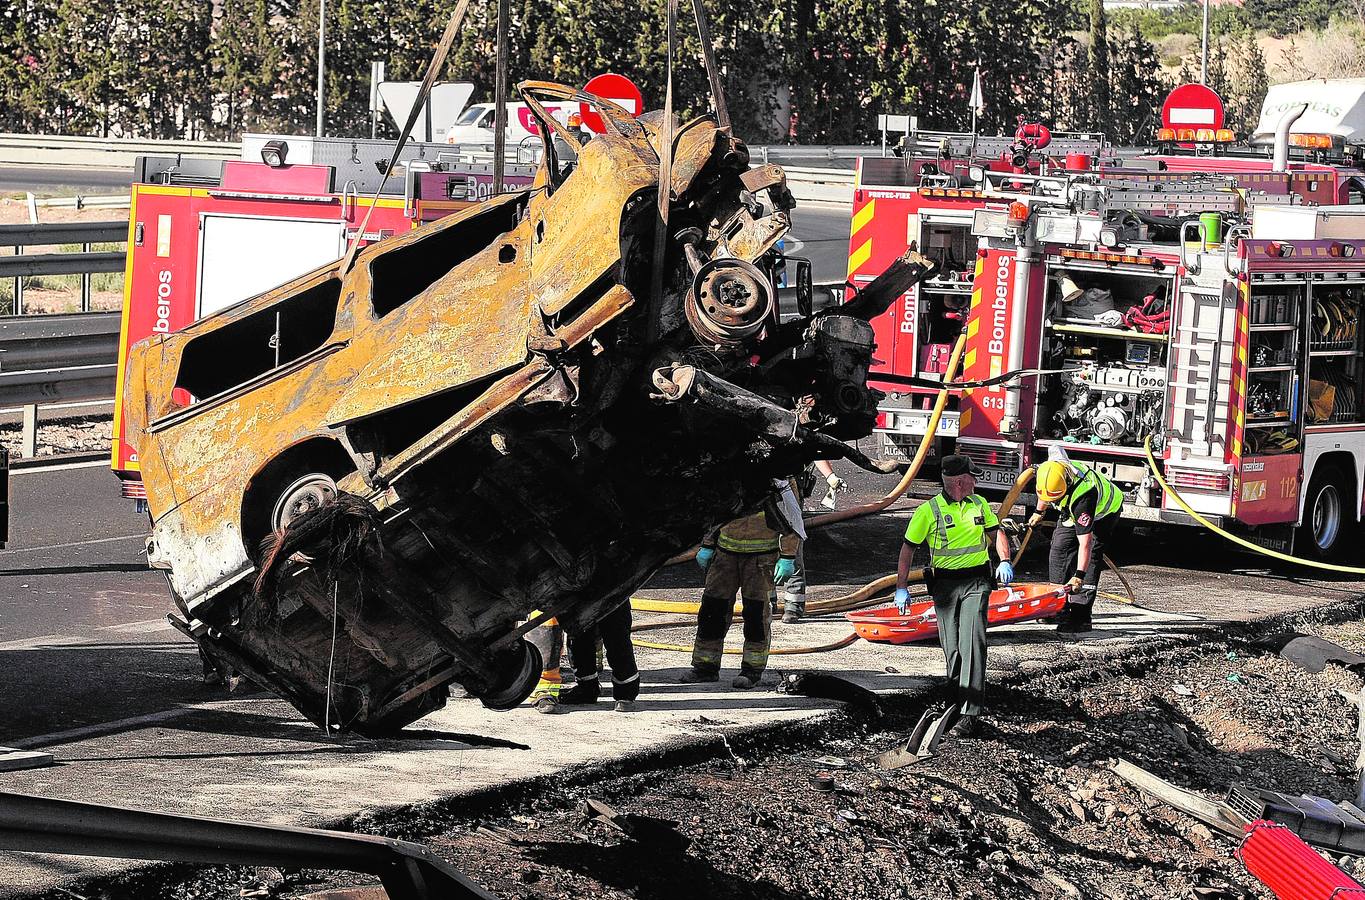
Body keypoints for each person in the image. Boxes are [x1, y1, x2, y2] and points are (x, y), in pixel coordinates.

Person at [894, 454, 1013, 735]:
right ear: (961, 481)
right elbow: (907, 550)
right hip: (946, 587)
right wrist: (901, 587)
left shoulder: (980, 504)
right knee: (953, 648)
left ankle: (970, 713)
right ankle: (954, 701)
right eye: (973, 476)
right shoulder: (928, 512)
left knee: (973, 641)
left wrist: (1005, 559)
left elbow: (996, 534)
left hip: (976, 583)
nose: (976, 481)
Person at [683, 490, 800, 689]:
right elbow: (714, 510)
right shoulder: (730, 473)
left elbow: (791, 516)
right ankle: (705, 667)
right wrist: (708, 543)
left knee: (756, 615)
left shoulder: (779, 477)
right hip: (725, 556)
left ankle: (751, 670)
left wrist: (787, 555)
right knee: (712, 612)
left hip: (761, 558)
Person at [1034, 458, 1124, 634]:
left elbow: (1086, 543)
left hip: (1104, 513)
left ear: (1067, 484)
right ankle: (1057, 606)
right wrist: (1039, 511)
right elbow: (1044, 492)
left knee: (1092, 558)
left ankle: (1080, 617)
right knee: (1059, 549)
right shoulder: (1050, 472)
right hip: (1070, 508)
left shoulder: (1084, 497)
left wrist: (1079, 576)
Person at [779, 462, 845, 624]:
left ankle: (793, 605)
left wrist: (830, 476)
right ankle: (767, 602)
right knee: (763, 550)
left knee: (792, 547)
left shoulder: (791, 437)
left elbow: (815, 449)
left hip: (786, 486)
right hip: (760, 488)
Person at [561, 600, 641, 712]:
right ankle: (587, 688)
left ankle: (625, 694)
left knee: (616, 636)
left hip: (612, 589)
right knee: (578, 634)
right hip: (580, 591)